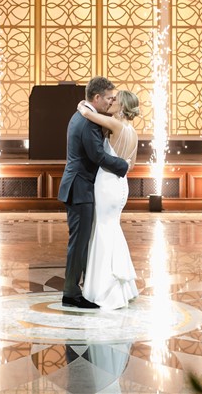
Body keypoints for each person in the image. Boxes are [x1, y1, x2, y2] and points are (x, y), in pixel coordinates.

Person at [57, 76, 129, 310]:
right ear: (96, 98)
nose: (110, 103)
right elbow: (96, 155)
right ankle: (71, 293)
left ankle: (84, 287)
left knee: (82, 241)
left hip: (81, 185)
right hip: (80, 188)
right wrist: (124, 166)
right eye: (108, 98)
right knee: (79, 242)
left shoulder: (83, 115)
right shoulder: (87, 122)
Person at [76, 89, 140, 310]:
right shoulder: (133, 132)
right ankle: (123, 287)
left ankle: (103, 289)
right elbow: (131, 165)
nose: (111, 102)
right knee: (112, 229)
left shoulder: (115, 125)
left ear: (122, 107)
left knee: (102, 230)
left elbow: (86, 113)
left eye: (115, 100)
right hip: (121, 185)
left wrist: (82, 104)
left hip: (106, 184)